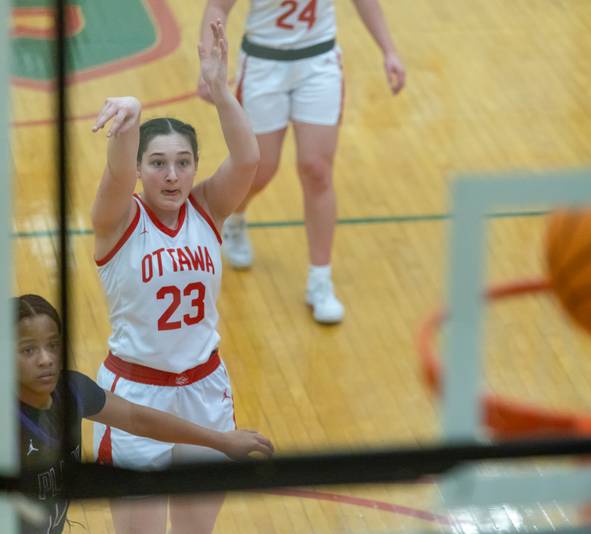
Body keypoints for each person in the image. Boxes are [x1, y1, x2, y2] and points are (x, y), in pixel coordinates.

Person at [89, 20, 260, 534]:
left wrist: (220, 90)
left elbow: (249, 158)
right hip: (136, 396)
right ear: (142, 169)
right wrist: (130, 120)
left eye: (183, 163)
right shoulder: (117, 221)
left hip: (205, 390)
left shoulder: (208, 208)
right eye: (158, 163)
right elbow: (116, 175)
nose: (171, 175)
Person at [197, 0, 406, 324]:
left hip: (318, 63)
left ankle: (320, 280)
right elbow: (218, 8)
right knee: (260, 170)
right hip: (264, 65)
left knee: (317, 170)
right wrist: (209, 64)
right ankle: (235, 219)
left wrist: (389, 50)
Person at [14, 294, 274, 534]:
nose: (45, 359)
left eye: (52, 345)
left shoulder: (72, 390)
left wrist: (222, 440)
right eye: (28, 350)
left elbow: (135, 418)